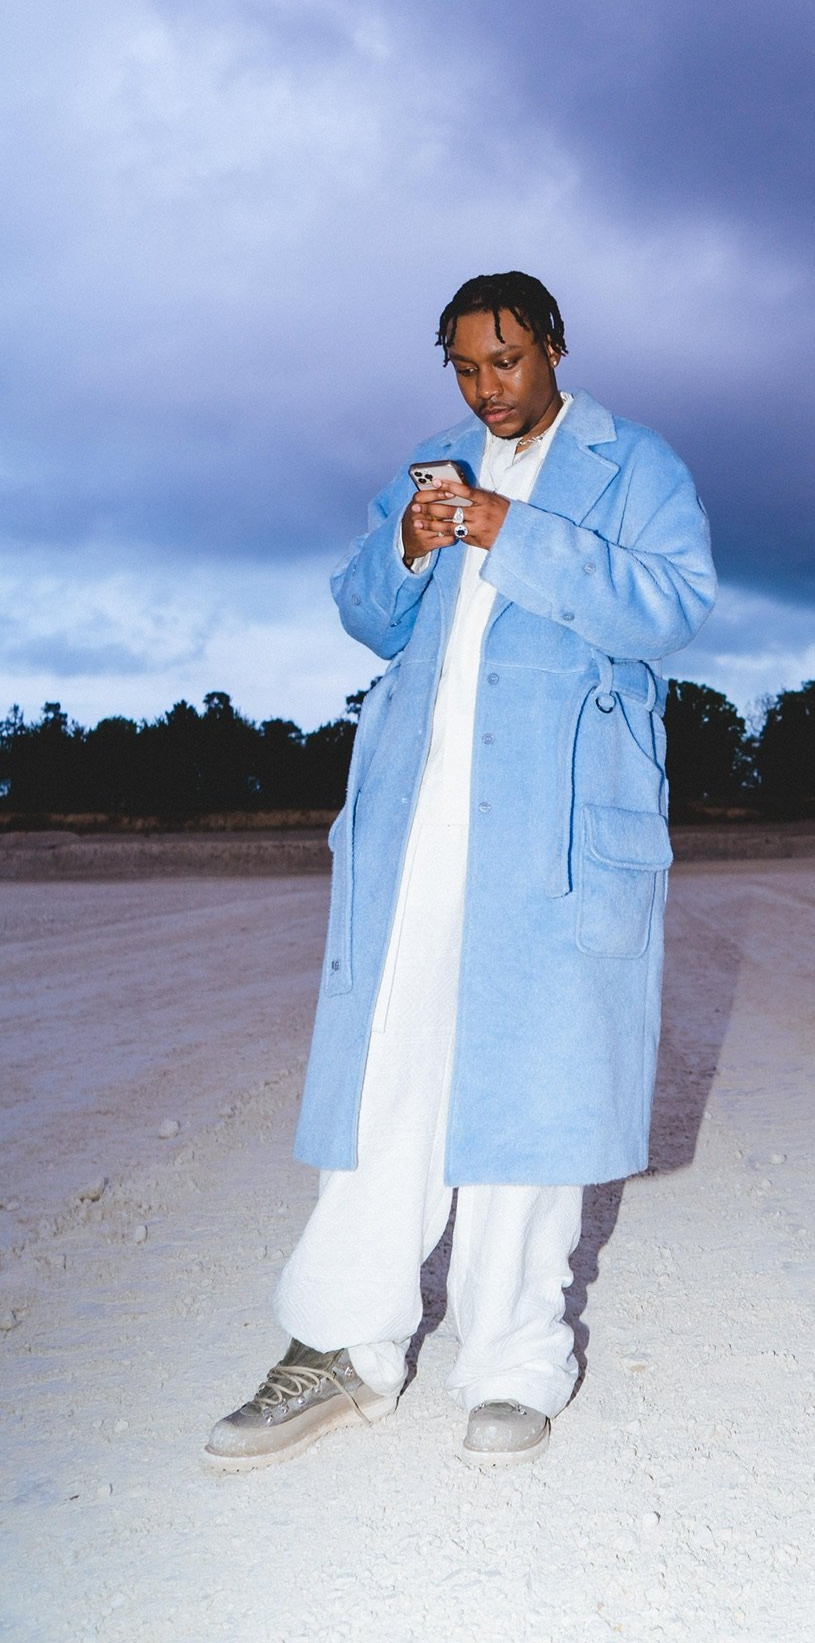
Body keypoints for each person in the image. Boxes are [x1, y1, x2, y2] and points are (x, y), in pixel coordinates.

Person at [205, 271, 716, 1471]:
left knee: (530, 1082)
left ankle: (513, 1362)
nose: (489, 387)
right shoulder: (429, 465)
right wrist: (407, 542)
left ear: (554, 347)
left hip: (551, 828)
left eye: (509, 361)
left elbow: (672, 607)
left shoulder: (636, 464)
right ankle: (343, 1343)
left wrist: (507, 531)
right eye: (468, 367)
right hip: (419, 820)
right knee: (390, 1069)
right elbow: (364, 611)